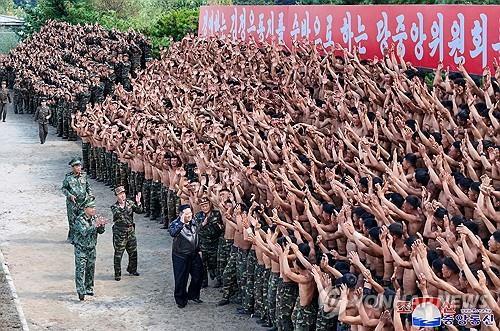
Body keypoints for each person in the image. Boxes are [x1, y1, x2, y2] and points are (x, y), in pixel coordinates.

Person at [168, 204, 204, 308]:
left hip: (194, 254)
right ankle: (180, 299)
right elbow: (173, 233)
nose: (189, 215)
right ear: (181, 214)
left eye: (190, 213)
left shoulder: (194, 222)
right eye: (186, 213)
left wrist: (199, 249)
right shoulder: (175, 223)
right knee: (181, 279)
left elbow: (197, 236)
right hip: (180, 255)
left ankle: (193, 295)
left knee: (199, 274)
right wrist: (181, 223)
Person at [72, 197, 106, 301]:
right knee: (80, 269)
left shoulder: (94, 218)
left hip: (91, 248)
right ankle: (80, 290)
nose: (93, 209)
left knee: (90, 269)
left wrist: (101, 225)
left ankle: (89, 288)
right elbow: (84, 232)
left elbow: (100, 231)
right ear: (85, 208)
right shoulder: (80, 220)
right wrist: (95, 225)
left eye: (94, 207)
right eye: (91, 207)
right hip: (81, 249)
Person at [110, 186, 143, 281]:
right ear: (117, 196)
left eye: (123, 193)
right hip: (120, 234)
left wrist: (138, 202)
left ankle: (132, 269)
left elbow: (139, 211)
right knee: (118, 254)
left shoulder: (130, 203)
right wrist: (123, 205)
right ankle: (117, 274)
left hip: (130, 232)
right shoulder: (114, 207)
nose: (122, 196)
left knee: (133, 252)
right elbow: (119, 215)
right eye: (120, 194)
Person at [61, 157, 93, 243]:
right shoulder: (68, 177)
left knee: (83, 219)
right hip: (72, 203)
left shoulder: (84, 176)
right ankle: (72, 237)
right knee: (72, 220)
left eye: (79, 166)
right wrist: (69, 195)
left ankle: (82, 237)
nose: (79, 168)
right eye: (76, 166)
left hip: (83, 202)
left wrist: (90, 195)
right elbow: (64, 189)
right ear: (72, 167)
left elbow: (88, 186)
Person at [195, 197, 223, 288]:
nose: (204, 208)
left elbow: (221, 227)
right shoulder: (198, 216)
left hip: (214, 243)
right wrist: (203, 223)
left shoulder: (216, 214)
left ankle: (217, 279)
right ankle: (204, 281)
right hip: (203, 244)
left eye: (206, 205)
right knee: (202, 264)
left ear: (210, 205)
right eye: (202, 206)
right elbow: (196, 230)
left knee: (214, 263)